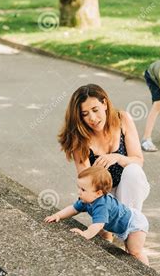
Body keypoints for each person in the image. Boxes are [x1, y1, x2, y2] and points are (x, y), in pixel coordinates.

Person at [58, 84, 150, 241]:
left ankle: (129, 232)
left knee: (133, 170)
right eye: (85, 114)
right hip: (102, 195)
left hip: (130, 188)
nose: (92, 118)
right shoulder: (80, 138)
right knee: (105, 234)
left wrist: (117, 158)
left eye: (95, 110)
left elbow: (138, 160)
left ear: (105, 104)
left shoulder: (123, 119)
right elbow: (86, 183)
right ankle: (109, 228)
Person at [45, 166, 149, 264]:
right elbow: (73, 208)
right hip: (125, 223)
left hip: (134, 223)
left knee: (135, 251)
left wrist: (85, 234)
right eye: (79, 188)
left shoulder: (102, 204)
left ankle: (146, 272)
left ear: (98, 193)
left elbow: (98, 224)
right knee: (129, 251)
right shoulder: (87, 199)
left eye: (83, 189)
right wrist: (57, 215)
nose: (79, 192)